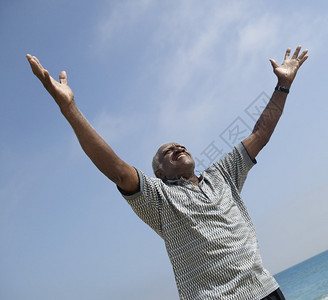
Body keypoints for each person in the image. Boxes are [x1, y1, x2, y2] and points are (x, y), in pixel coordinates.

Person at [26, 45, 308, 300]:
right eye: (167, 151)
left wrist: (283, 84)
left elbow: (260, 133)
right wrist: (69, 107)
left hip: (265, 289)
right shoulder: (158, 198)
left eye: (180, 144)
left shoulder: (223, 174)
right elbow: (116, 170)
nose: (177, 147)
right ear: (159, 173)